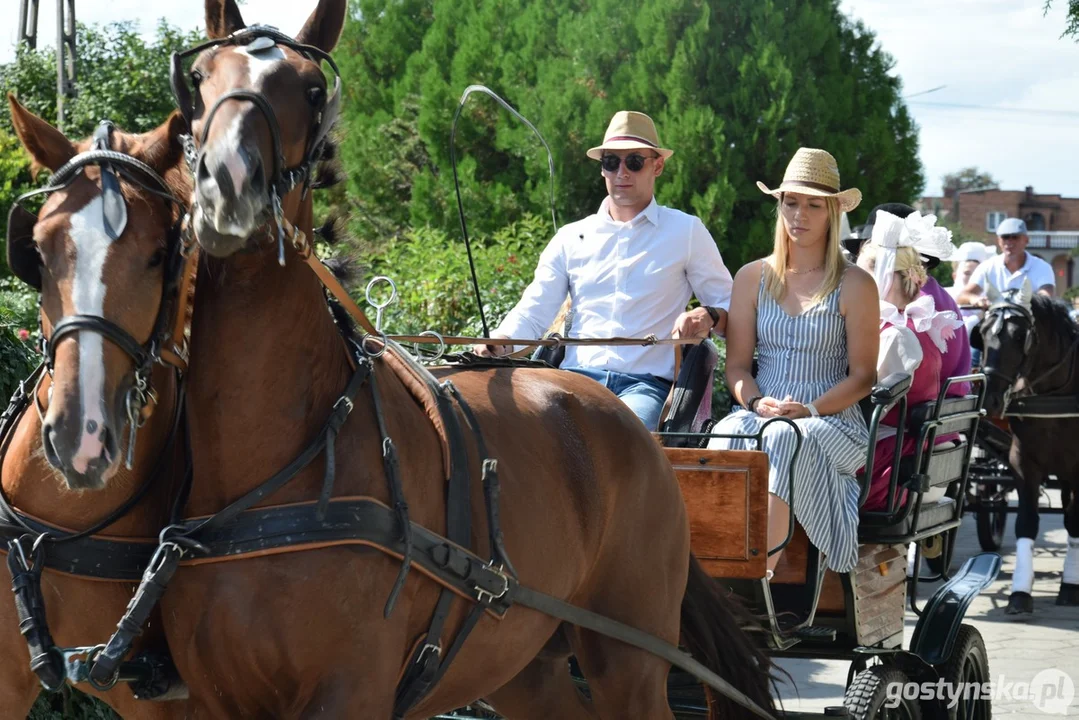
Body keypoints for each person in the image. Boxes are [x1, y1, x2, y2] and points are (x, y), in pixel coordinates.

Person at [473, 111, 734, 431]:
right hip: (572, 382)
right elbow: (534, 310)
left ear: (658, 165)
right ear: (602, 169)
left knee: (624, 441)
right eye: (611, 161)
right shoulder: (571, 237)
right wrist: (500, 340)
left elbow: (731, 305)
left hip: (644, 388)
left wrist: (709, 315)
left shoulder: (687, 232)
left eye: (634, 161)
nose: (621, 171)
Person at [707, 147, 879, 575]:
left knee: (785, 436)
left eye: (813, 204)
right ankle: (710, 570)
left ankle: (758, 582)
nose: (799, 214)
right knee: (727, 431)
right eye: (791, 202)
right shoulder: (752, 277)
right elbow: (738, 368)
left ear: (833, 212)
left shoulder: (856, 283)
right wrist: (753, 403)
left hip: (833, 419)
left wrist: (810, 408)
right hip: (763, 410)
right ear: (780, 205)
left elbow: (864, 377)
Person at [855, 211, 963, 512]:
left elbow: (864, 410)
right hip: (902, 450)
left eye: (859, 276)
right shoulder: (915, 326)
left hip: (886, 465)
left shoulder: (895, 336)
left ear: (882, 277)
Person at [846, 203, 970, 397]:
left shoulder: (904, 319)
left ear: (886, 270)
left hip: (910, 414)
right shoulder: (932, 299)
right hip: (938, 405)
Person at [956, 218, 1056, 308]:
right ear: (999, 241)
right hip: (994, 323)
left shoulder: (1042, 267)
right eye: (1005, 237)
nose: (1009, 242)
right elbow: (962, 295)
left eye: (1015, 237)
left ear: (1026, 240)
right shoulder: (987, 267)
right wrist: (975, 299)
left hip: (1030, 322)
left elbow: (1046, 295)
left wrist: (1027, 300)